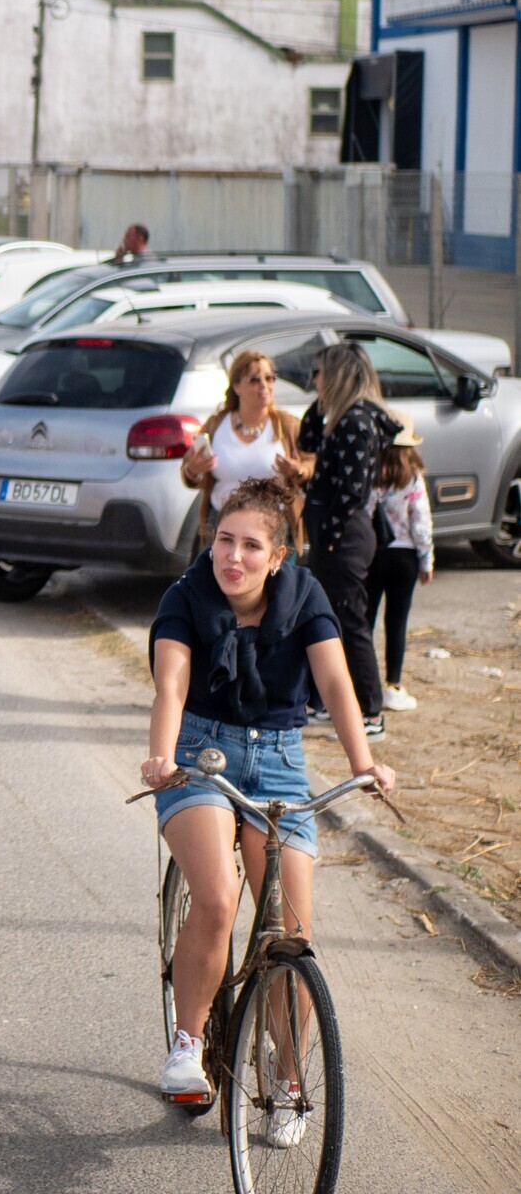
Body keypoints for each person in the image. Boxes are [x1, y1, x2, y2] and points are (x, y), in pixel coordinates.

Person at [139, 477, 395, 1105]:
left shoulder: (305, 597)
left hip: (279, 761)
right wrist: (160, 756)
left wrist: (365, 763)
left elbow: (336, 686)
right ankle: (187, 1045)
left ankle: (287, 1074)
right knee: (220, 896)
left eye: (252, 546)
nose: (233, 557)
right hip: (199, 756)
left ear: (279, 556)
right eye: (224, 540)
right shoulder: (185, 596)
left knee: (291, 933)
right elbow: (170, 687)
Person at [296, 342, 400, 739]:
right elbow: (307, 438)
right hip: (334, 534)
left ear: (336, 374)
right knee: (331, 620)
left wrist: (331, 538)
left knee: (350, 620)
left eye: (319, 372)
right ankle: (327, 701)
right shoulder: (338, 417)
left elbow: (352, 491)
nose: (314, 380)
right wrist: (320, 401)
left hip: (344, 536)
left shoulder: (356, 421)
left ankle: (371, 713)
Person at [178, 350, 311, 549]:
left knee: (271, 580)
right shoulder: (216, 426)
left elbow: (310, 462)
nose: (265, 386)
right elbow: (188, 471)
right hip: (223, 523)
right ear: (237, 386)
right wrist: (193, 470)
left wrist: (297, 470)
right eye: (255, 380)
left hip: (273, 527)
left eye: (270, 378)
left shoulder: (287, 425)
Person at [366, 427, 433, 715]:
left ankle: (363, 683)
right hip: (405, 557)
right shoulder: (413, 478)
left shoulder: (371, 476)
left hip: (374, 554)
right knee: (397, 621)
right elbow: (421, 522)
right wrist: (426, 560)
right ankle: (393, 685)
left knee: (364, 621)